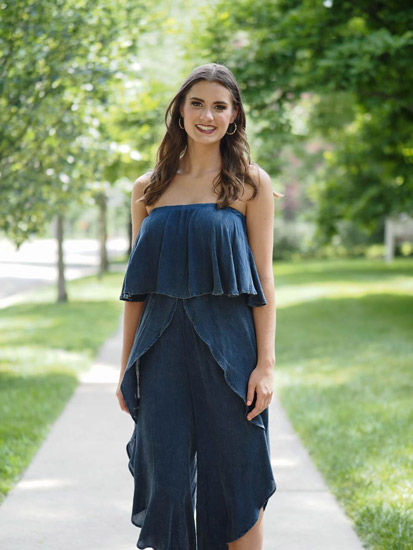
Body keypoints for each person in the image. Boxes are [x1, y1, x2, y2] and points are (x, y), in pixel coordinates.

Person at [116, 62, 283, 550]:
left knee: (236, 475)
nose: (207, 115)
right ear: (180, 111)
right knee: (165, 481)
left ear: (234, 116)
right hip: (162, 354)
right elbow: (136, 288)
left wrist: (265, 365)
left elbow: (264, 279)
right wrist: (127, 367)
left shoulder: (250, 183)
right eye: (197, 103)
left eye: (219, 106)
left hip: (231, 356)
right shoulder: (146, 189)